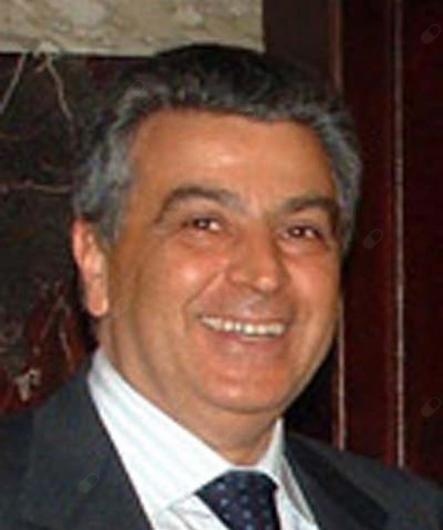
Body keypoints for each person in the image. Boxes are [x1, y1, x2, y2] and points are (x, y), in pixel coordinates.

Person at [0, 43, 441, 530]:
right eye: (205, 224)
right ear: (96, 261)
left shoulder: (414, 514)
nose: (264, 273)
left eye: (300, 231)